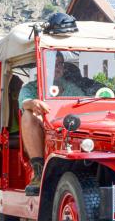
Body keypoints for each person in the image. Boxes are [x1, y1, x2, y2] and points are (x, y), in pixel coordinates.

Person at [19, 51, 85, 196]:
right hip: (44, 135)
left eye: (59, 64)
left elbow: (85, 105)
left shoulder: (72, 89)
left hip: (71, 133)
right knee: (29, 115)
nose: (56, 68)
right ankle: (38, 171)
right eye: (51, 65)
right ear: (42, 67)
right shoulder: (30, 88)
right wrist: (33, 103)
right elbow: (25, 103)